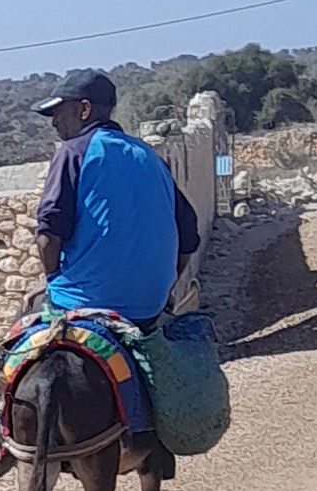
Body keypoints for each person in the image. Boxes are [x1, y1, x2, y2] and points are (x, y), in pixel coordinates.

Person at [33, 70, 201, 325]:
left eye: (59, 113)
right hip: (150, 308)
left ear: (84, 109)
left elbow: (48, 234)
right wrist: (163, 290)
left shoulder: (73, 152)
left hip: (86, 303)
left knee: (28, 314)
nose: (54, 122)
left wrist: (53, 281)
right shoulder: (150, 156)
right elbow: (188, 235)